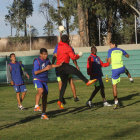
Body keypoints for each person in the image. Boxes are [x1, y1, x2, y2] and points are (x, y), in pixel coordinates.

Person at [55, 34, 97, 109]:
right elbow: (73, 57)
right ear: (68, 40)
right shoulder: (68, 47)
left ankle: (60, 100)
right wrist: (79, 55)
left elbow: (62, 40)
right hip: (64, 65)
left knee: (64, 84)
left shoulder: (59, 45)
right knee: (75, 70)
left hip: (58, 67)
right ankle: (87, 81)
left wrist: (61, 33)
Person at [32, 48, 61, 120]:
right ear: (40, 54)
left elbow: (50, 66)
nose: (46, 55)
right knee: (41, 91)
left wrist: (59, 65)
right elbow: (35, 72)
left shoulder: (47, 60)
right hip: (37, 79)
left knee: (45, 98)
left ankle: (43, 114)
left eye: (46, 54)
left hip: (44, 80)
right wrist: (45, 69)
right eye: (44, 54)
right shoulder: (37, 61)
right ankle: (36, 106)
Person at [107, 40, 130, 109]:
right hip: (122, 68)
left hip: (115, 70)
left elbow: (108, 62)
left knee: (114, 86)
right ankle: (130, 78)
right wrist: (124, 54)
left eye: (110, 44)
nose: (110, 46)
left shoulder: (110, 51)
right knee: (125, 70)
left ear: (114, 44)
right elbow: (128, 56)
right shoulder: (121, 50)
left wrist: (107, 60)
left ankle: (116, 102)